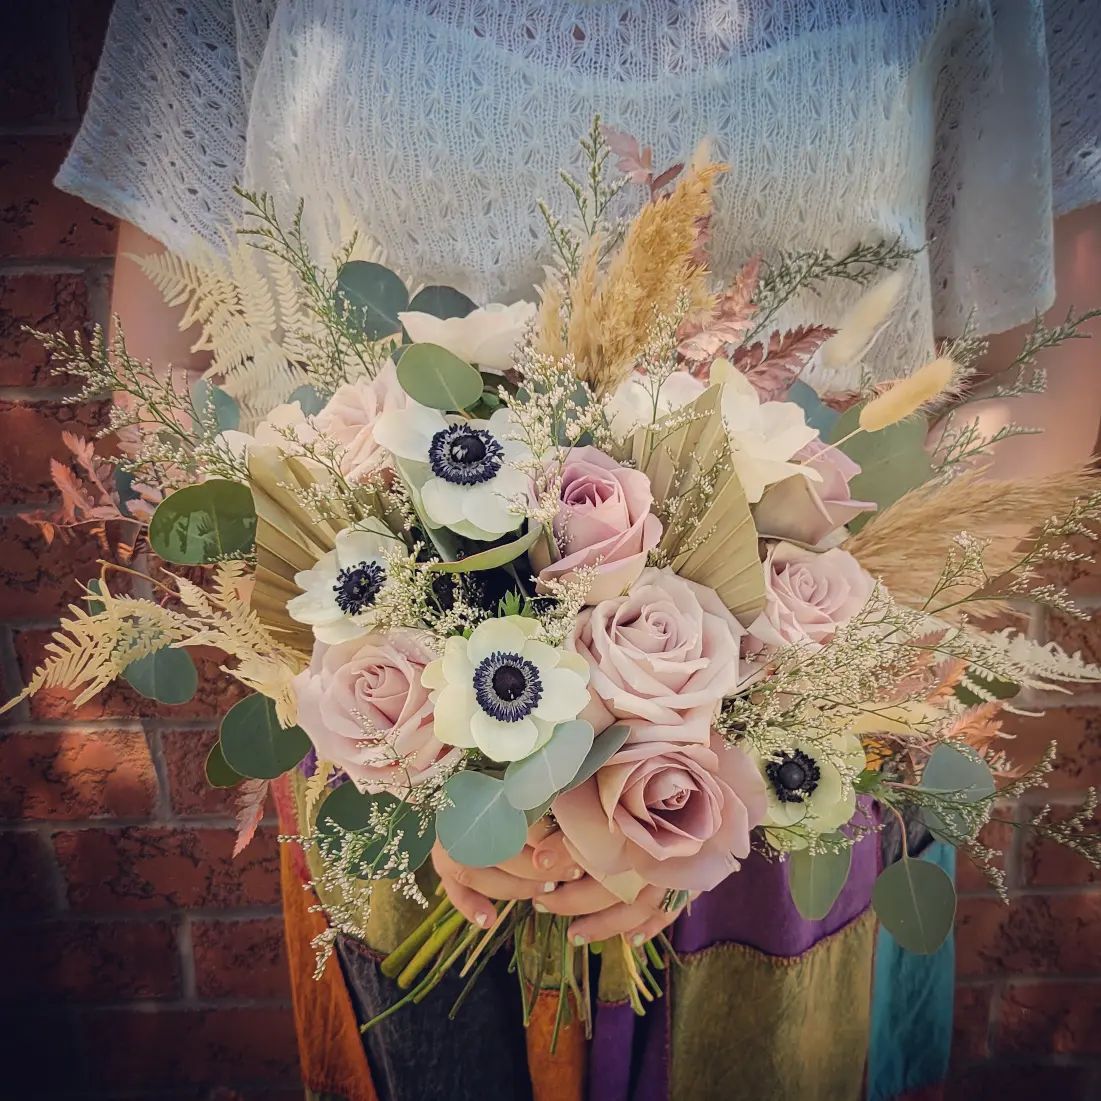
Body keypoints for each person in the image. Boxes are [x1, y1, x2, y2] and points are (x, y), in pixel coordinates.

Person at [58, 3, 1100, 1099]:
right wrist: (430, 757)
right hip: (388, 742)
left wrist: (773, 713)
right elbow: (164, 375)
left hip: (806, 771)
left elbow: (1050, 367)